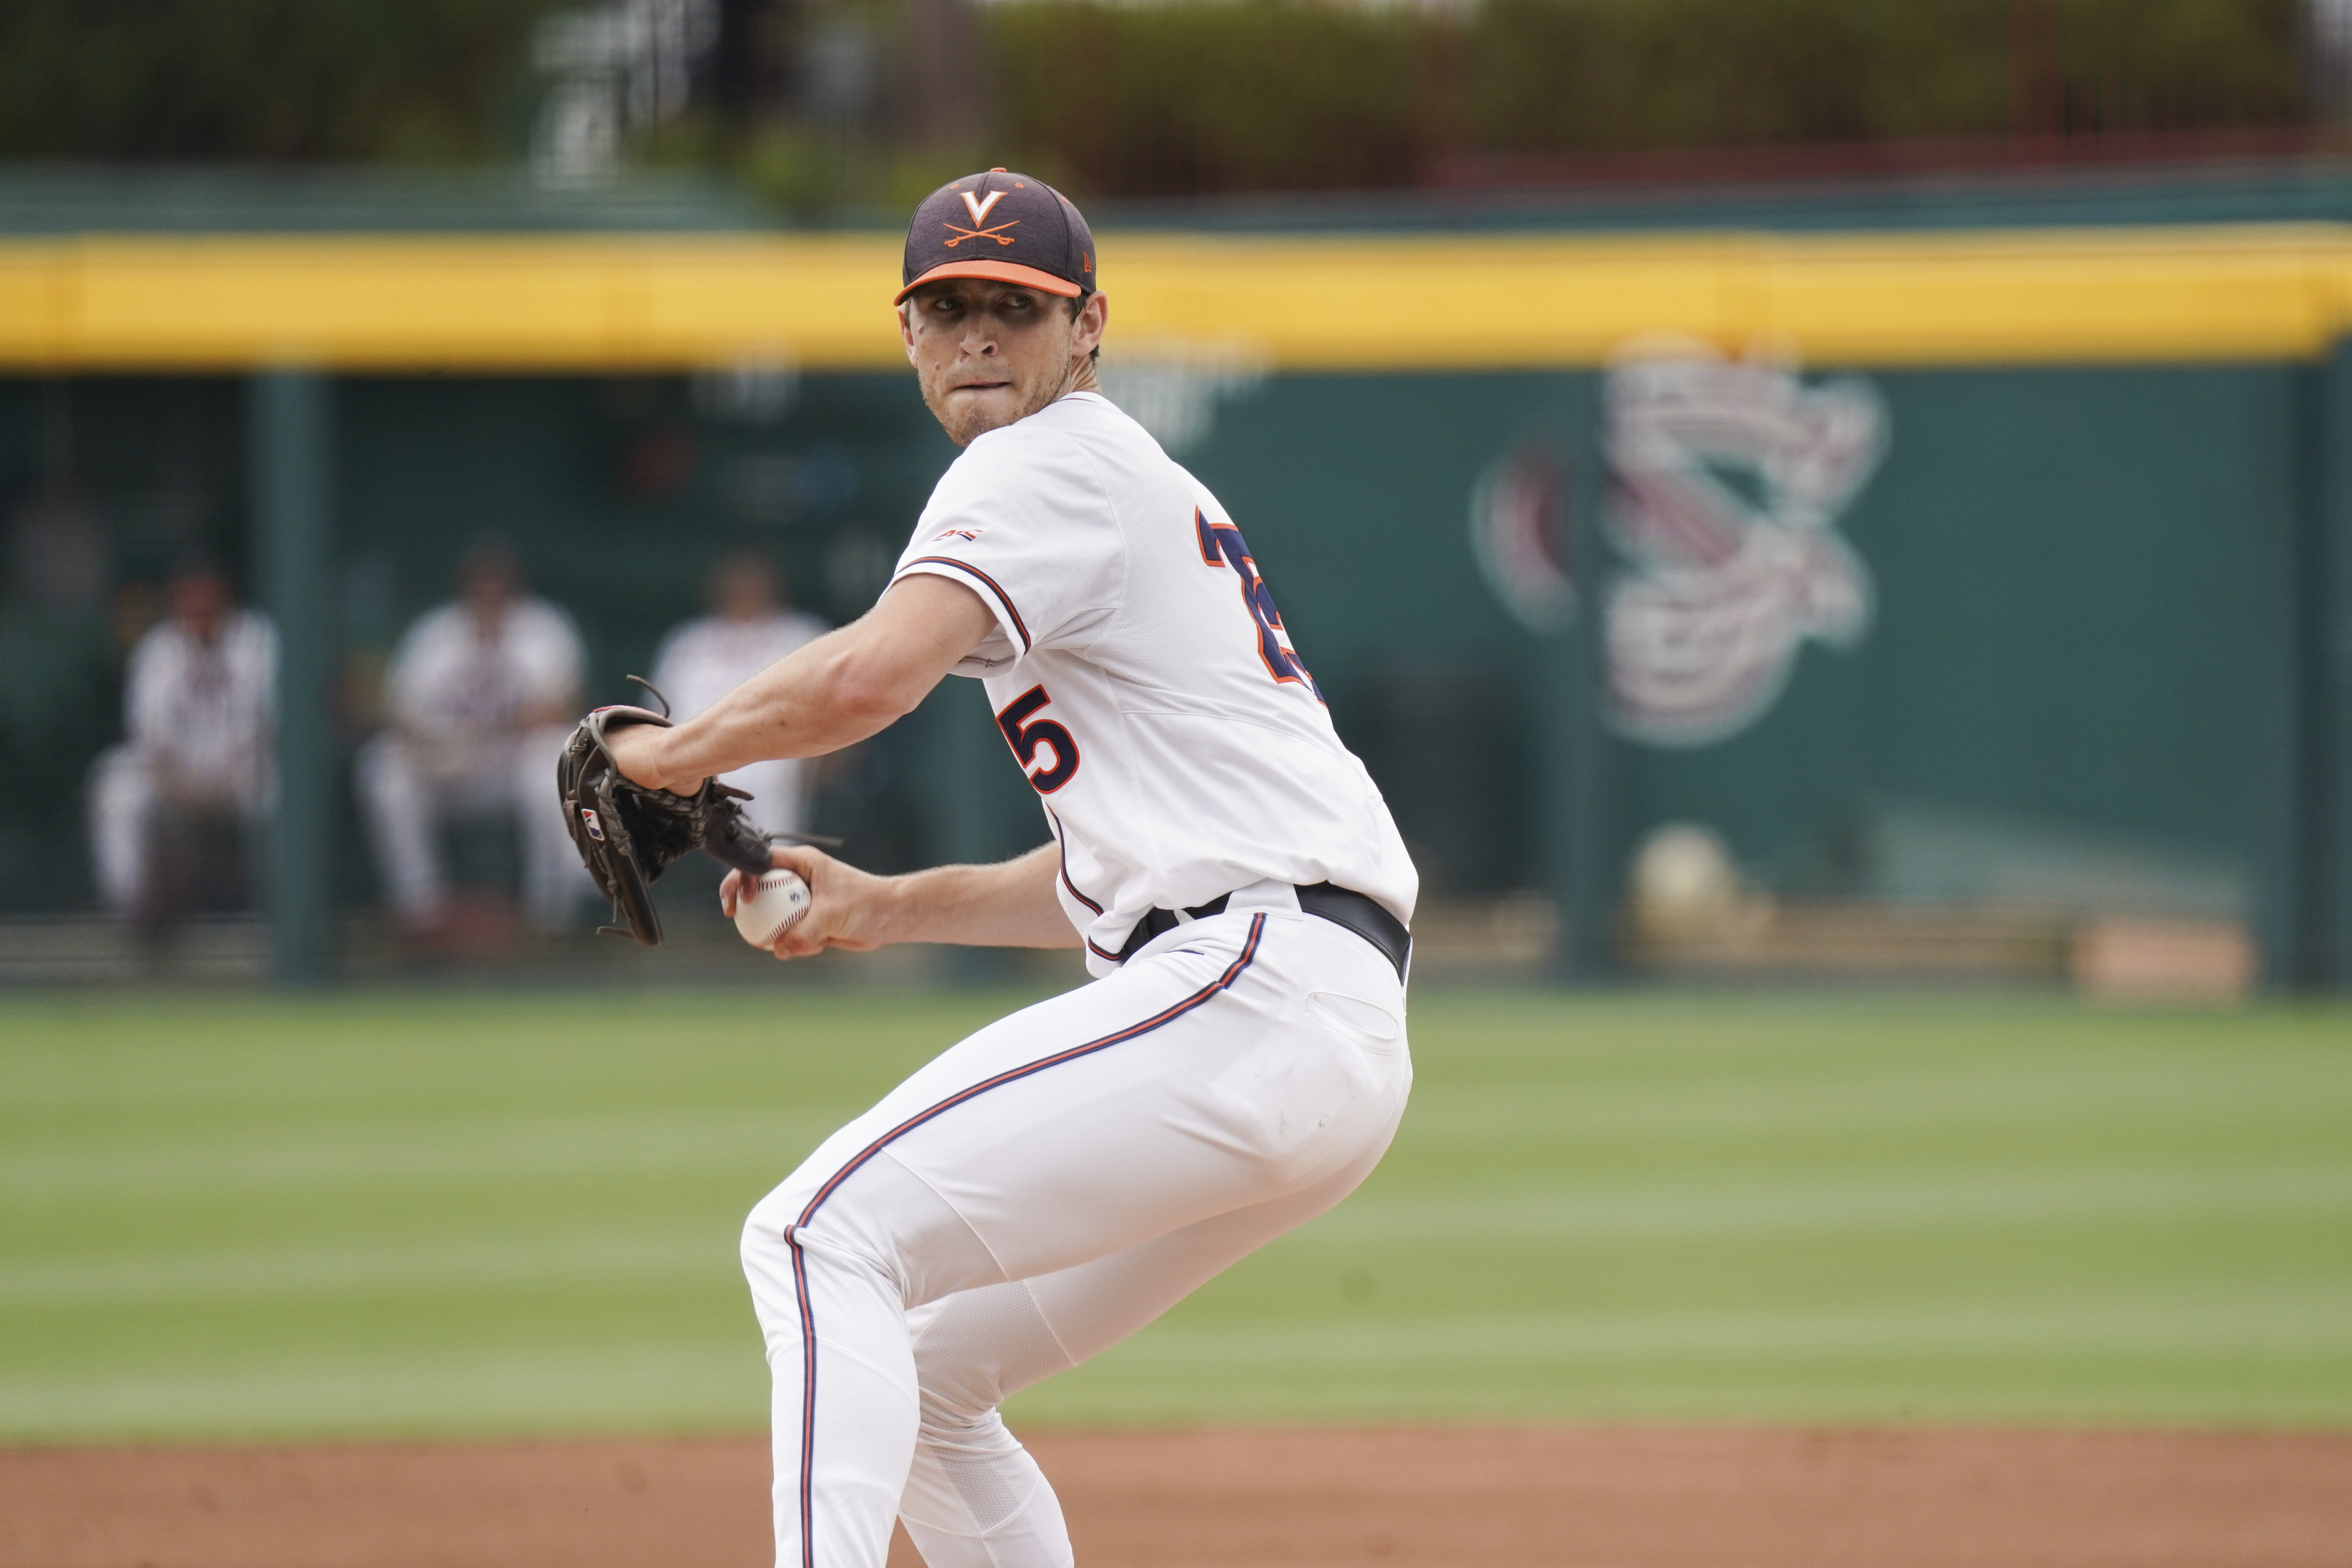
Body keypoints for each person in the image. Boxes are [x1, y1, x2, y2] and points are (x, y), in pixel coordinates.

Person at [605, 169, 1416, 1568]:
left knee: (811, 1239)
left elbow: (866, 674)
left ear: (1085, 328)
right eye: (945, 308)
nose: (978, 333)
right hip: (1302, 1017)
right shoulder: (1107, 488)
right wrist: (881, 904)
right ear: (908, 336)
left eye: (1014, 307)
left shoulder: (1047, 462)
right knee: (921, 1372)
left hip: (1249, 991)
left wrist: (664, 757)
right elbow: (1114, 874)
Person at [358, 542, 593, 935]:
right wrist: (430, 740)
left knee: (553, 761)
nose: (489, 595)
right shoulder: (436, 632)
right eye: (480, 586)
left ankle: (552, 910)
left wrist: (498, 729)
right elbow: (399, 708)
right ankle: (420, 909)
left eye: (498, 586)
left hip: (514, 762)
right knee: (383, 768)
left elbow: (564, 703)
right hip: (451, 762)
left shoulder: (542, 627)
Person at [88, 559, 276, 935]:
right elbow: (149, 741)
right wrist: (182, 788)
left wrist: (226, 781)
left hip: (243, 773)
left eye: (208, 600)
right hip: (176, 779)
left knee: (281, 791)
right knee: (116, 784)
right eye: (190, 602)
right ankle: (131, 907)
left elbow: (270, 731)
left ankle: (279, 908)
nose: (200, 611)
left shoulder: (258, 640)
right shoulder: (158, 649)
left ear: (227, 601)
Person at [649, 551, 831, 839]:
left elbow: (831, 712)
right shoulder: (687, 642)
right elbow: (660, 718)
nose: (744, 592)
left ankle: (774, 872)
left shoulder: (801, 634)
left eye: (753, 583)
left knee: (767, 774)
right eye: (736, 585)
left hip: (780, 754)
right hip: (698, 755)